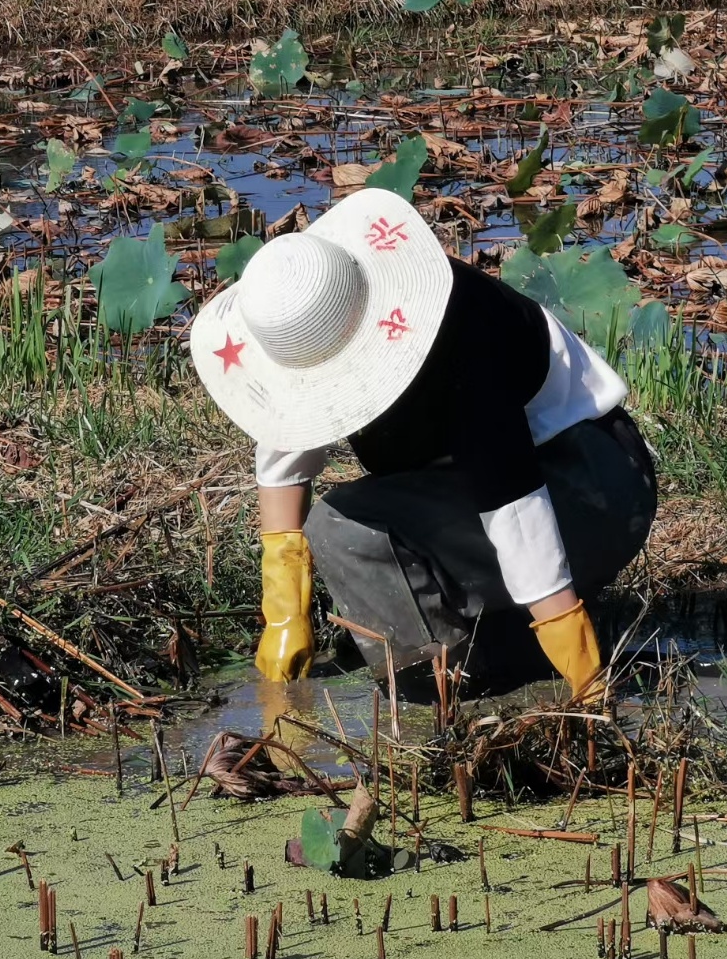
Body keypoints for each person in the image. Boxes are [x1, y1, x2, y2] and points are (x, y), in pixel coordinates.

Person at [191, 189, 657, 702]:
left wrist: (577, 658)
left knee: (344, 528)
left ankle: (449, 687)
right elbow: (287, 442)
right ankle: (502, 648)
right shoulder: (331, 312)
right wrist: (284, 608)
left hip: (593, 484)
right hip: (491, 489)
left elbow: (513, 502)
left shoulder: (460, 340)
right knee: (353, 548)